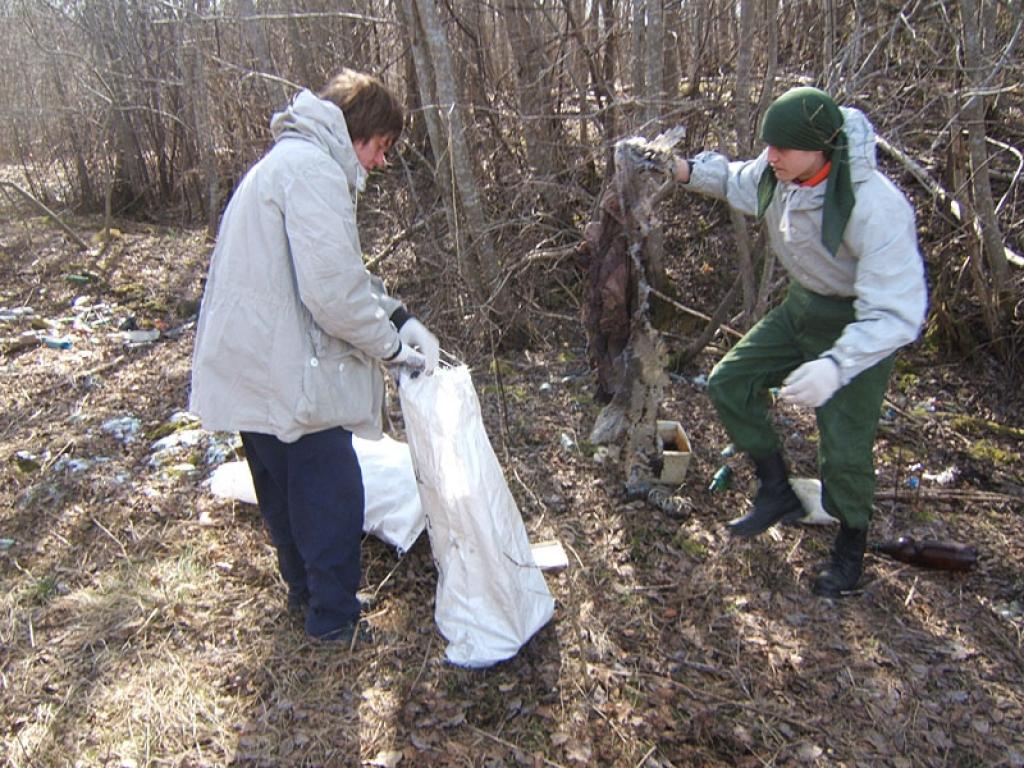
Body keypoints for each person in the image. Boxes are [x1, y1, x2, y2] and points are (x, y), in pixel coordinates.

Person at [189, 69, 440, 642]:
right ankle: (333, 620)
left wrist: (398, 313)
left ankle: (306, 595)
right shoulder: (314, 172)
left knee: (281, 488)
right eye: (381, 148)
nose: (380, 162)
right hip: (287, 371)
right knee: (330, 495)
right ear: (359, 131)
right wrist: (394, 348)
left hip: (251, 366)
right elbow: (333, 296)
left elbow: (340, 274)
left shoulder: (284, 163)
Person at [662, 86, 927, 596]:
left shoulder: (874, 206)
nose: (771, 155)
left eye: (783, 146)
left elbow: (897, 311)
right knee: (730, 381)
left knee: (844, 446)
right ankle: (776, 488)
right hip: (802, 308)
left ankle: (851, 546)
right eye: (769, 145)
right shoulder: (777, 171)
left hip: (859, 327)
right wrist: (679, 168)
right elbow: (738, 179)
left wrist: (836, 366)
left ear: (820, 148)